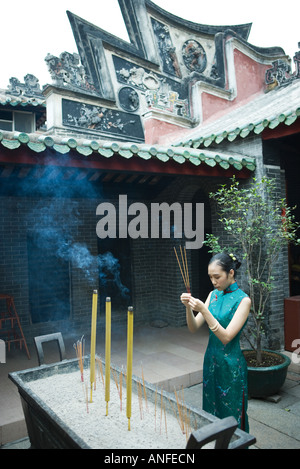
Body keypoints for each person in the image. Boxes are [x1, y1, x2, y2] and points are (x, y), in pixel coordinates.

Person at [181, 252, 251, 432]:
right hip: (211, 361)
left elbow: (226, 337)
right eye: (210, 277)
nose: (213, 281)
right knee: (211, 412)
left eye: (217, 277)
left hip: (231, 366)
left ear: (231, 273)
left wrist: (204, 310)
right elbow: (194, 327)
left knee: (231, 415)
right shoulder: (213, 295)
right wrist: (189, 308)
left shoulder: (243, 300)